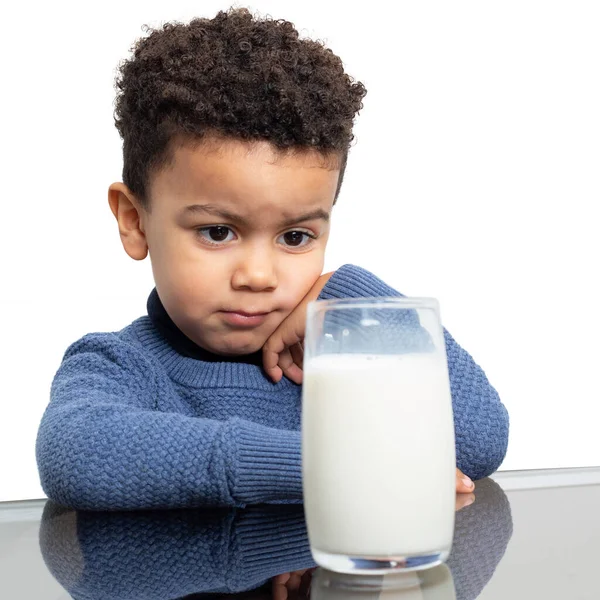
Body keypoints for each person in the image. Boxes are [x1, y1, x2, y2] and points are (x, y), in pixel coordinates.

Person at [35, 7, 509, 511]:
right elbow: (76, 454)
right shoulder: (120, 366)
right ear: (135, 221)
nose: (259, 276)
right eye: (218, 232)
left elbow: (477, 445)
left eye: (296, 237)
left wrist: (354, 297)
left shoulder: (339, 363)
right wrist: (324, 466)